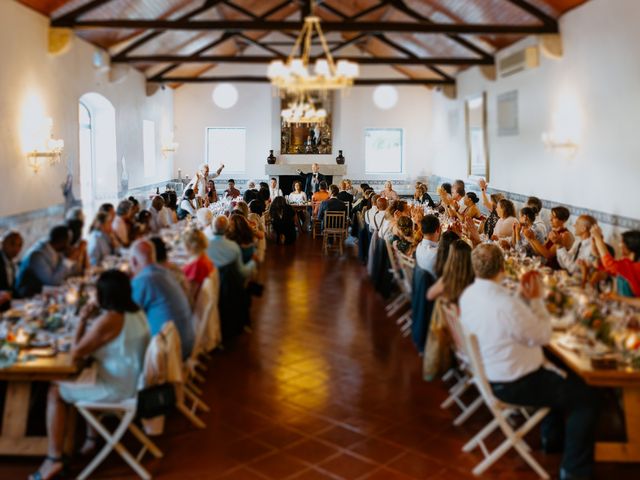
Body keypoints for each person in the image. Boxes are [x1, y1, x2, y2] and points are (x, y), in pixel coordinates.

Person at [460, 244, 599, 480]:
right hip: (515, 382)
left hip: (493, 373)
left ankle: (552, 439)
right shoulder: (506, 304)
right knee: (586, 398)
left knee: (558, 373)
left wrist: (521, 299)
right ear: (502, 266)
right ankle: (575, 470)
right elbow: (543, 335)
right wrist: (535, 301)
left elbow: (508, 320)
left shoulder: (469, 295)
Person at [29, 270, 150, 480]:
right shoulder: (136, 311)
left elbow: (76, 352)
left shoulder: (110, 320)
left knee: (55, 390)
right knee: (85, 374)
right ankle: (92, 439)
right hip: (134, 381)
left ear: (104, 295)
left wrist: (83, 320)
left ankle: (53, 459)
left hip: (118, 389)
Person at [130, 239, 194, 357]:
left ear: (134, 261)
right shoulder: (165, 271)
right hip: (189, 338)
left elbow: (129, 316)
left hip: (172, 352)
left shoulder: (144, 279)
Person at [16, 225, 83, 298]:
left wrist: (79, 253)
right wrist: (68, 260)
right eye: (69, 241)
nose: (70, 245)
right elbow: (52, 282)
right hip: (28, 297)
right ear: (62, 241)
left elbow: (77, 272)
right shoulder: (38, 255)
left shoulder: (57, 249)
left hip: (45, 292)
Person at [592, 225, 640, 297]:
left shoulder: (632, 266)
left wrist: (598, 239)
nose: (619, 245)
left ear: (629, 246)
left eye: (622, 243)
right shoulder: (626, 262)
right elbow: (610, 270)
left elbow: (609, 263)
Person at [182, 228, 215, 304]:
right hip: (204, 298)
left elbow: (189, 295)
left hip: (197, 304)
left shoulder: (196, 266)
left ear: (188, 246)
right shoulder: (204, 258)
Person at [0, 231, 23, 311]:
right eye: (12, 244)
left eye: (19, 245)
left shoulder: (11, 263)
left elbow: (11, 289)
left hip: (9, 308)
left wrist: (23, 301)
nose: (16, 249)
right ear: (3, 244)